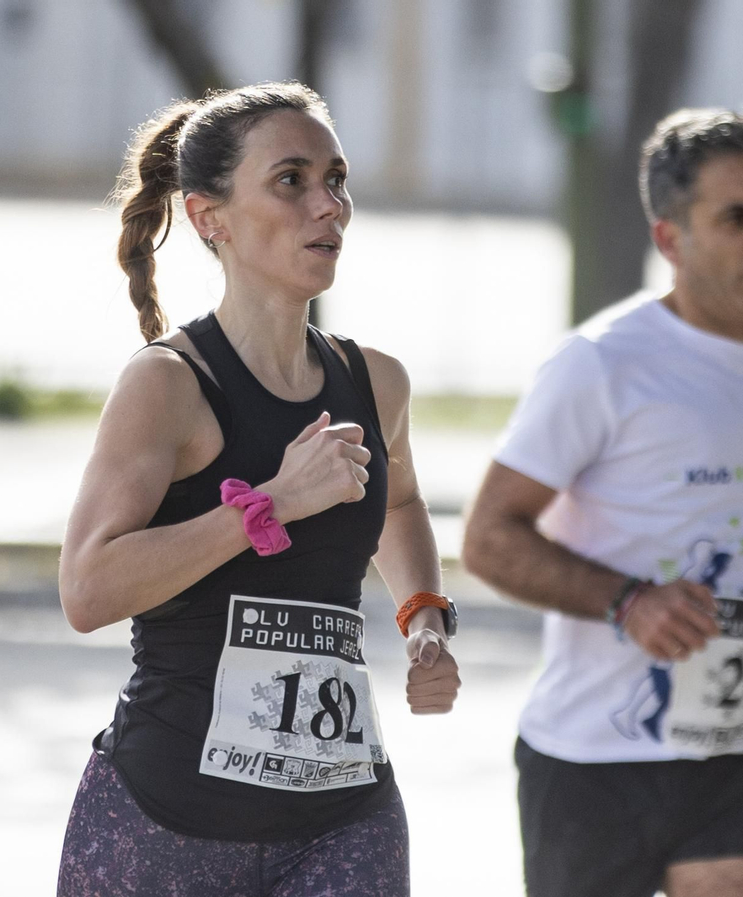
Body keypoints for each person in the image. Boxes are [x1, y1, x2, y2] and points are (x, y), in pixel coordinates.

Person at [462, 109, 743, 897]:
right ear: (670, 240)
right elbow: (488, 537)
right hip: (595, 760)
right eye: (738, 217)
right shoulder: (601, 365)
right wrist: (626, 600)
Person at [56, 82, 461, 897]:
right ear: (211, 217)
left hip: (344, 819)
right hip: (165, 822)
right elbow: (87, 589)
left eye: (337, 179)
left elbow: (401, 501)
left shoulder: (373, 381)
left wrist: (424, 617)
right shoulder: (169, 386)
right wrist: (267, 505)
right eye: (292, 181)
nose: (329, 206)